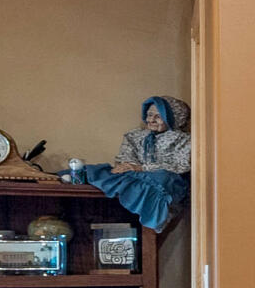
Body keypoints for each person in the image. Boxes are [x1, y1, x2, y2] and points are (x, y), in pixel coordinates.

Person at [62, 96, 190, 230]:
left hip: (163, 177)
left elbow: (181, 164)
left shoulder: (183, 140)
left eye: (158, 116)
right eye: (150, 115)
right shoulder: (136, 135)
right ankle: (77, 177)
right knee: (101, 171)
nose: (151, 120)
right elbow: (127, 155)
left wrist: (142, 168)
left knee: (161, 179)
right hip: (133, 173)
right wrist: (128, 166)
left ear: (171, 117)